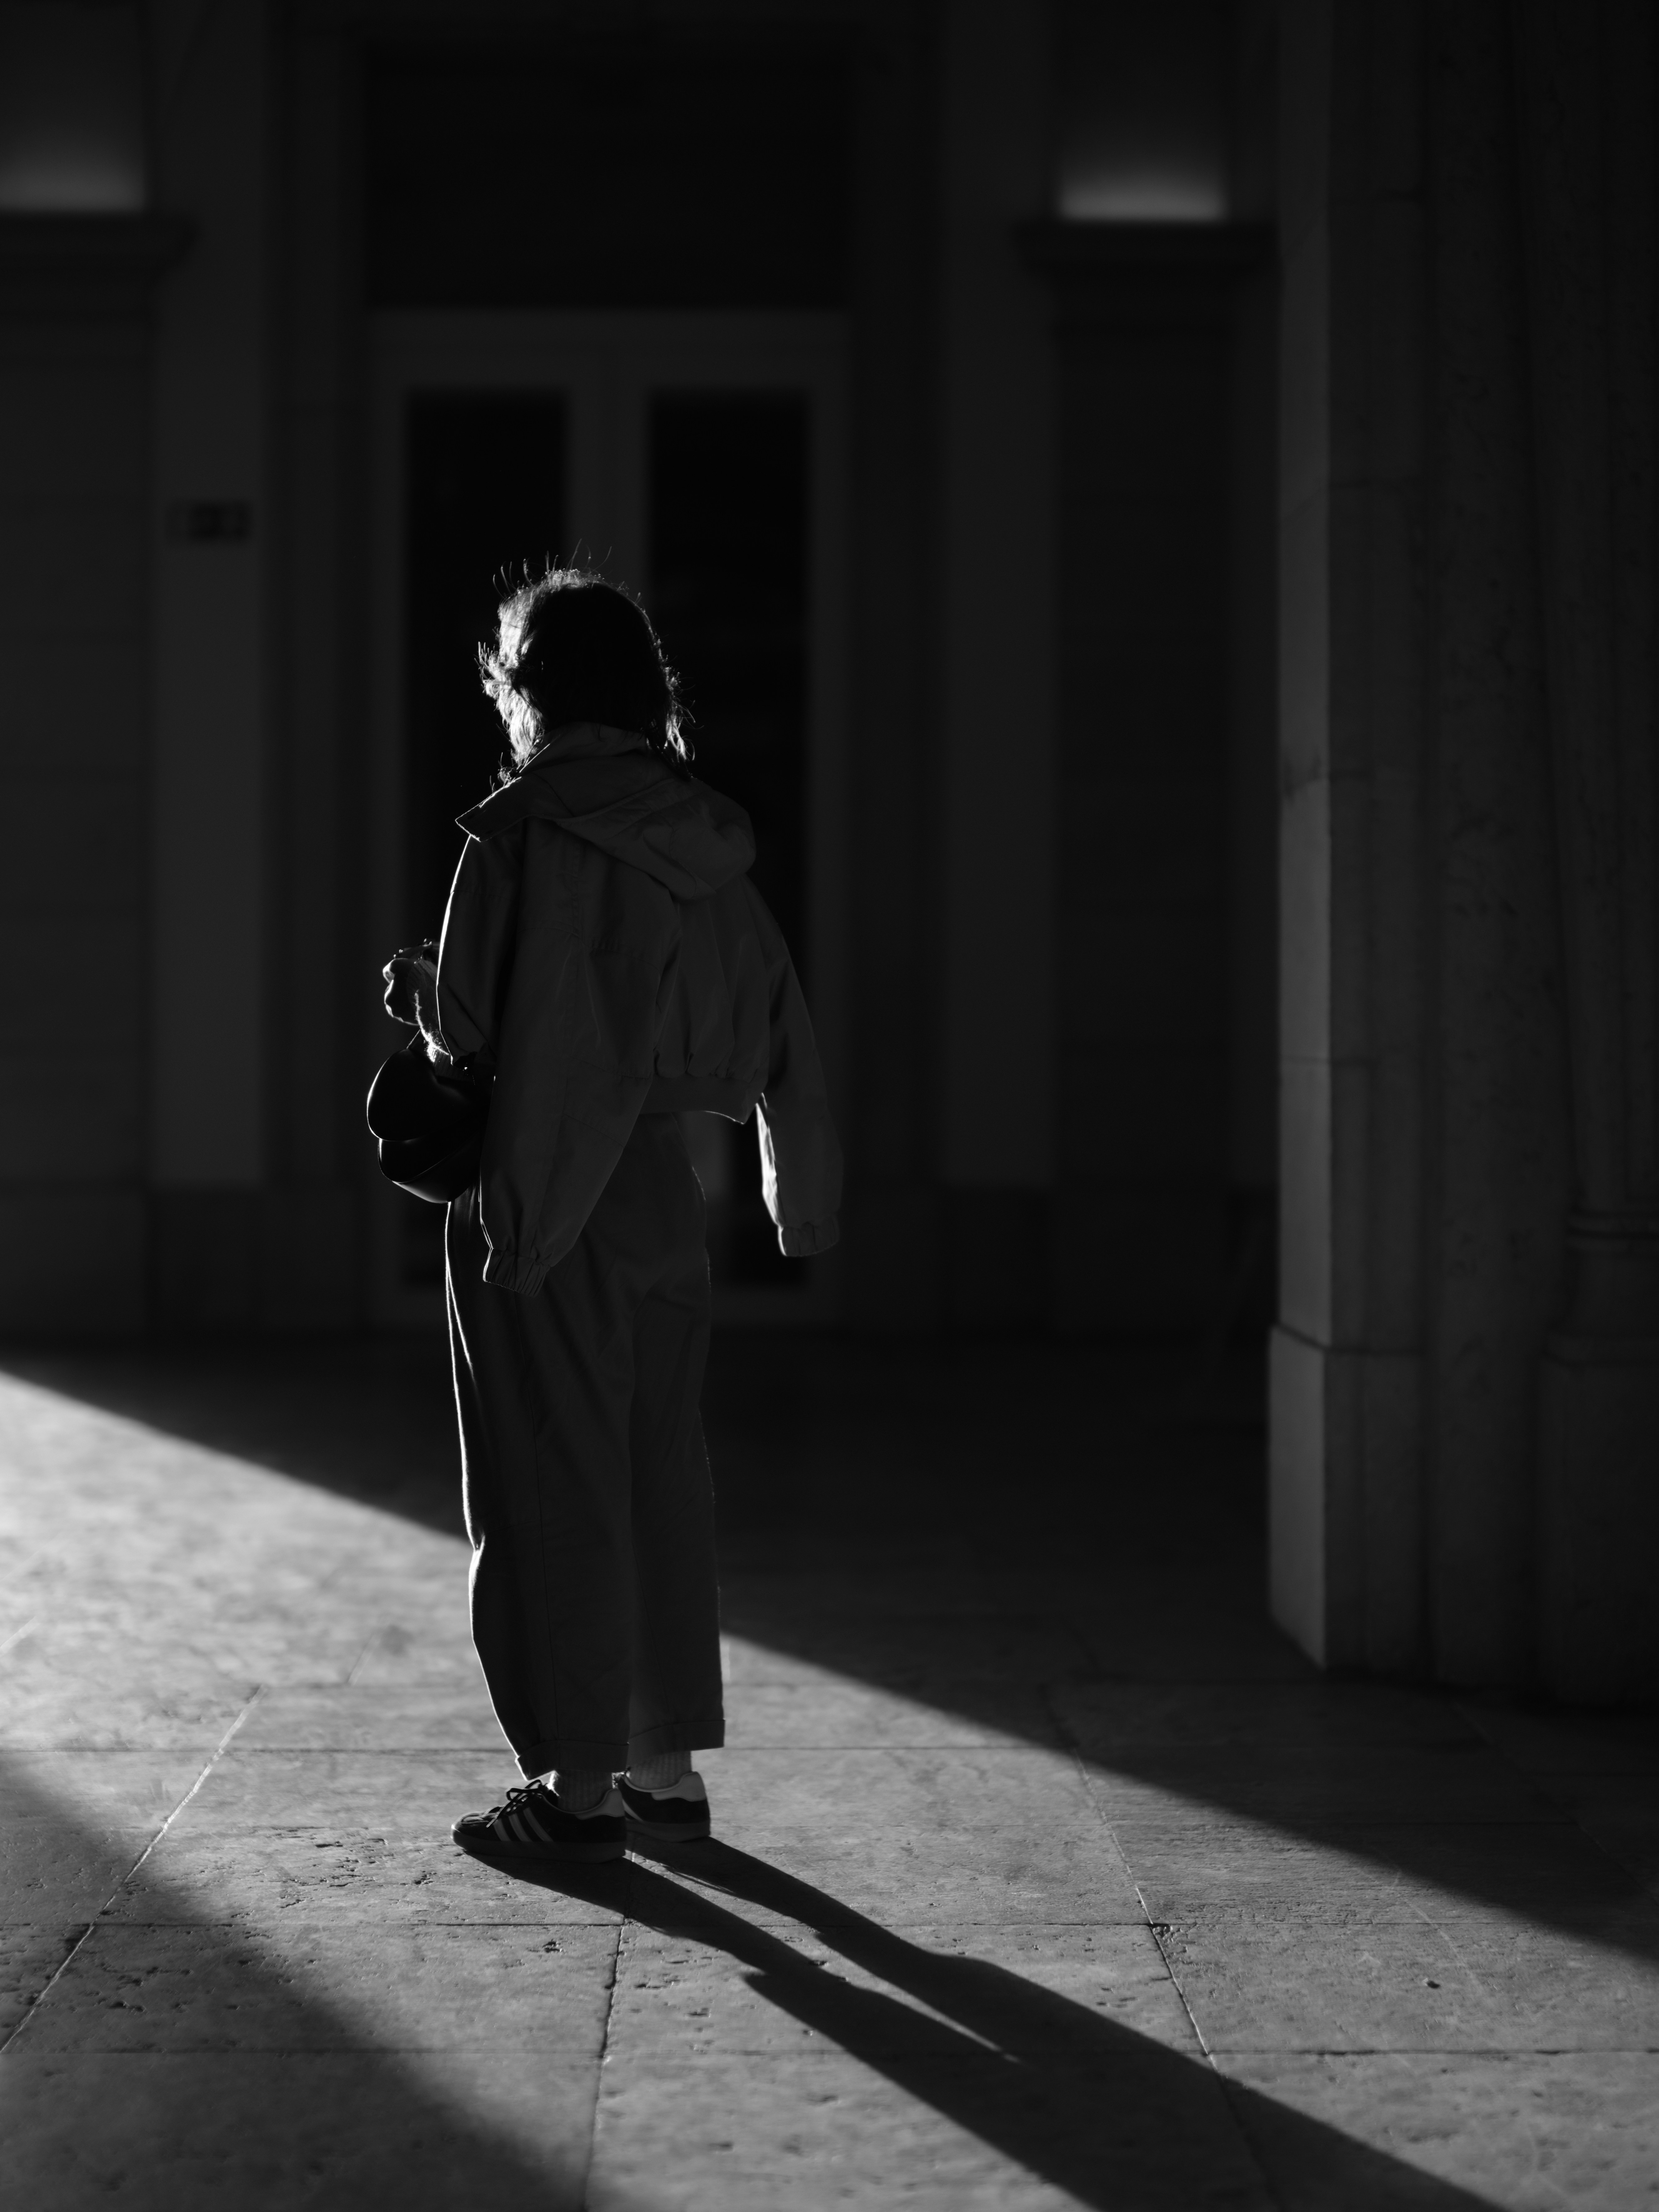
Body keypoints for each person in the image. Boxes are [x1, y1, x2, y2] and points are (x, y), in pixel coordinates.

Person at [381, 568, 841, 1866]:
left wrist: (423, 994)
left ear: (529, 690)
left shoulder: (515, 835)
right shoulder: (703, 836)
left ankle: (575, 1788)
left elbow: (478, 1032)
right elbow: (772, 1016)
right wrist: (801, 1196)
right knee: (657, 1473)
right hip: (660, 1189)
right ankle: (663, 1766)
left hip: (540, 1188)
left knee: (548, 1481)